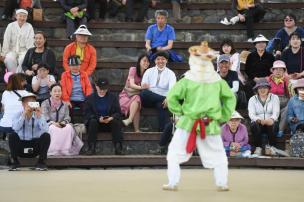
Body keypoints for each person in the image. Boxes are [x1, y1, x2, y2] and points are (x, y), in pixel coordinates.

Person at [163, 41, 236, 191]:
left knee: (175, 152)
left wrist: (180, 111)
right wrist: (223, 116)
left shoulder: (188, 79)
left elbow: (171, 98)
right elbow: (230, 98)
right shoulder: (217, 81)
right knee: (218, 154)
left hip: (190, 122)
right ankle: (222, 183)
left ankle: (172, 182)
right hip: (206, 122)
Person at [9, 92, 50, 171]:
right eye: (28, 102)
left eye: (33, 102)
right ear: (23, 104)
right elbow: (15, 128)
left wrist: (39, 117)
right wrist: (23, 115)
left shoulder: (40, 115)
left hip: (35, 146)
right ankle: (15, 162)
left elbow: (46, 130)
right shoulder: (17, 115)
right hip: (21, 146)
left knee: (46, 136)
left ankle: (41, 163)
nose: (30, 104)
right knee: (12, 135)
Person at [41, 84, 83, 156]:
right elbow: (44, 116)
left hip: (61, 124)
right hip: (50, 124)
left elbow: (67, 117)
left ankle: (65, 150)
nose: (57, 93)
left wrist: (64, 122)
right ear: (50, 92)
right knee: (52, 128)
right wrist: (53, 123)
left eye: (59, 91)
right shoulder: (45, 103)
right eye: (55, 91)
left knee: (69, 127)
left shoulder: (64, 104)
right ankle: (53, 150)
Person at [85, 78, 123, 155]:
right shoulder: (90, 98)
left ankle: (118, 147)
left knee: (116, 122)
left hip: (109, 122)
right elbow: (87, 113)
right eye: (100, 89)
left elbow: (118, 112)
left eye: (104, 89)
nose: (102, 91)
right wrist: (99, 119)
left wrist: (111, 118)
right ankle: (91, 147)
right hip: (96, 123)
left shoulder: (113, 97)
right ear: (96, 87)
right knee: (92, 122)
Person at [140, 51, 176, 132]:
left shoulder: (171, 74)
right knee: (144, 93)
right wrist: (166, 98)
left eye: (163, 59)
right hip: (148, 99)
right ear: (155, 61)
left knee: (161, 105)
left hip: (162, 101)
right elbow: (144, 85)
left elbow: (172, 89)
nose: (160, 61)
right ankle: (163, 99)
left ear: (166, 60)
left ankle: (162, 130)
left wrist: (168, 98)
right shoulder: (149, 71)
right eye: (158, 59)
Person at [248, 79, 280, 156]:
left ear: (268, 89)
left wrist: (271, 119)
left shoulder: (274, 97)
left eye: (265, 87)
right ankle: (258, 147)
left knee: (274, 125)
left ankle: (272, 147)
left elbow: (276, 112)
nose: (262, 90)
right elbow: (251, 114)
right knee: (254, 125)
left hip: (270, 121)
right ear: (257, 89)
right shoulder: (252, 99)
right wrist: (258, 120)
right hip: (258, 122)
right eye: (260, 88)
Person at [119, 54, 150, 132]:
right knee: (137, 99)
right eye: (144, 61)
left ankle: (130, 120)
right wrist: (141, 88)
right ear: (139, 61)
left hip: (135, 96)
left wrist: (134, 90)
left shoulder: (148, 73)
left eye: (148, 61)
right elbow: (131, 84)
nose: (146, 63)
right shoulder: (133, 69)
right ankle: (136, 129)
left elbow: (132, 88)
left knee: (137, 99)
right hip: (125, 96)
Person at [61, 55, 92, 122]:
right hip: (70, 99)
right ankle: (71, 125)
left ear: (80, 65)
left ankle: (86, 124)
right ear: (69, 66)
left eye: (77, 65)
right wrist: (66, 100)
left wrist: (88, 98)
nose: (75, 67)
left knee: (87, 108)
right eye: (73, 65)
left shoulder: (84, 74)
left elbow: (88, 87)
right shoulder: (64, 75)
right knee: (68, 108)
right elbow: (63, 88)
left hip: (82, 99)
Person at [267, 60, 290, 137]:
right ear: (272, 71)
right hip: (271, 101)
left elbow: (290, 94)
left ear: (284, 71)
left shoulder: (286, 79)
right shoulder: (268, 79)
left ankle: (281, 130)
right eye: (276, 69)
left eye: (281, 69)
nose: (278, 71)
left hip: (283, 101)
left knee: (288, 109)